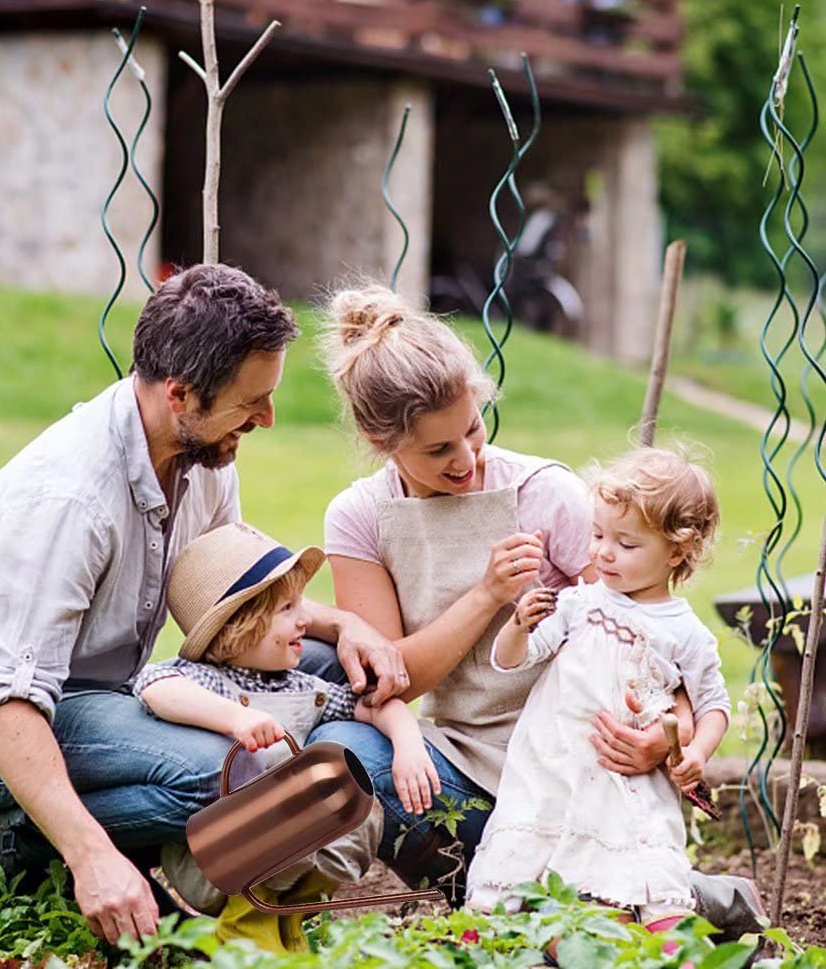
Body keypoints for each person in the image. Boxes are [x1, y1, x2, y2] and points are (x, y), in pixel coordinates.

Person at [0, 264, 409, 946]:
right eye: (251, 401)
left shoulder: (202, 458)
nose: (266, 418)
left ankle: (223, 858)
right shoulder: (67, 499)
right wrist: (92, 858)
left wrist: (342, 624)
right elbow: (7, 703)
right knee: (233, 771)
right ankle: (14, 844)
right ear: (180, 394)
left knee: (322, 668)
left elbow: (233, 608)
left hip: (111, 705)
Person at [302, 283, 764, 936]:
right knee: (343, 753)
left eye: (472, 428)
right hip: (461, 758)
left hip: (575, 758)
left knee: (551, 873)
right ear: (382, 443)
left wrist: (669, 734)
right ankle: (627, 897)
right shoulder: (358, 518)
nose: (467, 459)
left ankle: (586, 897)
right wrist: (487, 595)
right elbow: (390, 679)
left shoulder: (545, 493)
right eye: (438, 451)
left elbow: (648, 634)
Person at [132, 522, 440, 952]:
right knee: (298, 799)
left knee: (358, 804)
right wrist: (235, 719)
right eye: (287, 608)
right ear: (241, 624)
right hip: (212, 860)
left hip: (281, 860)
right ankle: (243, 927)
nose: (305, 619)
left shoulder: (298, 688)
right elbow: (154, 684)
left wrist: (408, 746)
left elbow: (375, 706)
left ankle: (281, 917)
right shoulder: (206, 680)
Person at [466, 447, 730, 933]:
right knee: (522, 889)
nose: (603, 552)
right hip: (552, 769)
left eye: (626, 544)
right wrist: (519, 627)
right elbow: (511, 660)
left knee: (631, 886)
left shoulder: (685, 632)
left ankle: (660, 946)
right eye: (599, 534)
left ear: (676, 551)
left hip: (625, 783)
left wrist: (698, 751)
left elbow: (714, 704)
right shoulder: (579, 604)